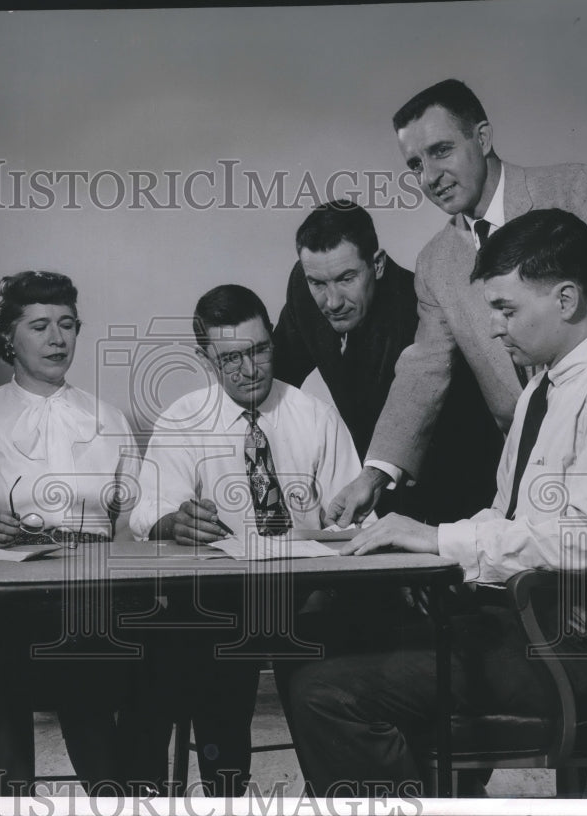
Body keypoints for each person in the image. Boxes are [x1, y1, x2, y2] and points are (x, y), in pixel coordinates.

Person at [287, 209, 587, 796]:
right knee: (341, 646)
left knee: (326, 693)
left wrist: (437, 540)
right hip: (525, 626)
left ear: (566, 299)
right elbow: (506, 516)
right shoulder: (543, 388)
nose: (491, 328)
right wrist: (416, 540)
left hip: (579, 647)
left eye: (505, 309)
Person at [330, 79, 587, 528]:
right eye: (414, 164)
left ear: (482, 138)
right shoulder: (435, 263)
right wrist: (375, 472)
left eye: (441, 150)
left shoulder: (580, 191)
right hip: (524, 477)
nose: (429, 177)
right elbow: (424, 370)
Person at [123, 284, 365, 796]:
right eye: (230, 358)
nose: (249, 369)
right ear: (204, 357)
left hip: (308, 595)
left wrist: (340, 526)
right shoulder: (184, 420)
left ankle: (338, 794)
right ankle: (225, 794)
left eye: (259, 350)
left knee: (337, 679)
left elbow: (355, 517)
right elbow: (146, 513)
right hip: (224, 601)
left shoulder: (314, 414)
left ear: (272, 340)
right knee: (205, 650)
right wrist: (175, 521)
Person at [0, 271, 139, 794]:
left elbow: (134, 524)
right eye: (40, 326)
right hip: (12, 592)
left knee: (99, 663)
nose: (58, 339)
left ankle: (115, 793)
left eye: (68, 325)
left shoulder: (109, 419)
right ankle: (4, 798)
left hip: (96, 589)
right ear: (8, 337)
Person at [273, 199, 504, 523]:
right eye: (318, 283)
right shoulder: (303, 289)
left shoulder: (421, 311)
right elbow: (273, 381)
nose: (333, 301)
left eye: (347, 278)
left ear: (377, 264)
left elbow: (449, 434)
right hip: (375, 497)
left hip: (465, 491)